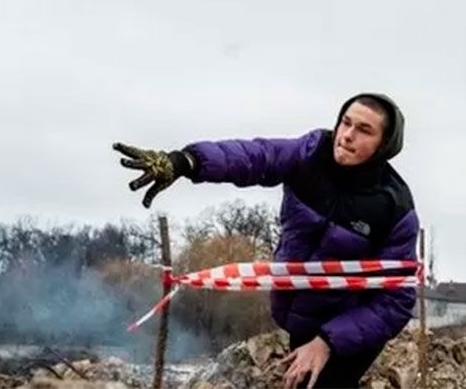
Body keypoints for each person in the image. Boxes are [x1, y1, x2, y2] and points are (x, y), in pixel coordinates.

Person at [114, 93, 418, 389]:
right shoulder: (311, 153)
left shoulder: (394, 207)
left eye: (364, 130)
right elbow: (256, 156)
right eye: (346, 122)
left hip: (350, 332)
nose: (347, 135)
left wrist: (327, 342)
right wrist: (187, 161)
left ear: (384, 145)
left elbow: (396, 301)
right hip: (299, 315)